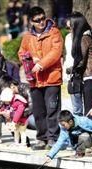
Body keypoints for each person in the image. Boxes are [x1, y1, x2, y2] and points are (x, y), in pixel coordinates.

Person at [18, 6, 63, 150]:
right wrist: (31, 59)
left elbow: (56, 52)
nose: (41, 22)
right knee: (38, 111)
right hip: (34, 80)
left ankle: (53, 138)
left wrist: (42, 63)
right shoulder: (27, 37)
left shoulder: (54, 33)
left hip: (52, 78)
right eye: (37, 21)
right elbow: (21, 53)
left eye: (43, 18)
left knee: (52, 110)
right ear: (31, 22)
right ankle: (42, 138)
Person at [68, 12, 92, 122]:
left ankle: (91, 135)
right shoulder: (89, 34)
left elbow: (81, 60)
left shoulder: (84, 37)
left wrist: (71, 70)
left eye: (72, 25)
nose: (70, 27)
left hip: (91, 76)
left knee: (90, 111)